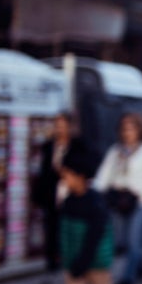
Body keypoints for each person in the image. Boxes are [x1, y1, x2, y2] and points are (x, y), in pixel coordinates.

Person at [57, 141, 123, 284]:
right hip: (73, 259)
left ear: (80, 175)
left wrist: (84, 259)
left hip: (95, 260)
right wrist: (66, 256)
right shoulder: (67, 202)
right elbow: (64, 230)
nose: (64, 179)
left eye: (67, 174)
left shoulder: (95, 202)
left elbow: (96, 235)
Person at [94, 113, 142, 284]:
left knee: (135, 237)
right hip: (120, 201)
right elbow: (104, 175)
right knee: (125, 239)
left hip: (141, 201)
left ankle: (128, 276)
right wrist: (95, 191)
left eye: (132, 128)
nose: (128, 133)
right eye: (125, 129)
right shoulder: (116, 151)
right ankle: (139, 263)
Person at [32, 112, 86, 273]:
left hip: (70, 190)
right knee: (51, 224)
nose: (59, 129)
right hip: (51, 192)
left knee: (69, 224)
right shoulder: (49, 146)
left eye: (63, 125)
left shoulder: (78, 145)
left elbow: (84, 166)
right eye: (57, 125)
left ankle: (68, 256)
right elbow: (43, 171)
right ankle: (52, 259)